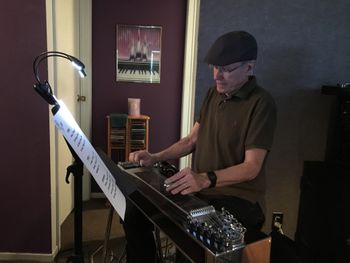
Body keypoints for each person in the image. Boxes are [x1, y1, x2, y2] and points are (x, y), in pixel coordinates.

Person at [123, 30, 277, 263]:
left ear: (249, 67)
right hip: (202, 191)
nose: (217, 76)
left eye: (226, 69)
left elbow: (251, 167)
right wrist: (155, 156)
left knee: (190, 246)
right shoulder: (212, 95)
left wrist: (205, 178)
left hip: (237, 198)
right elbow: (190, 140)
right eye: (215, 67)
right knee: (135, 212)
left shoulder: (262, 103)